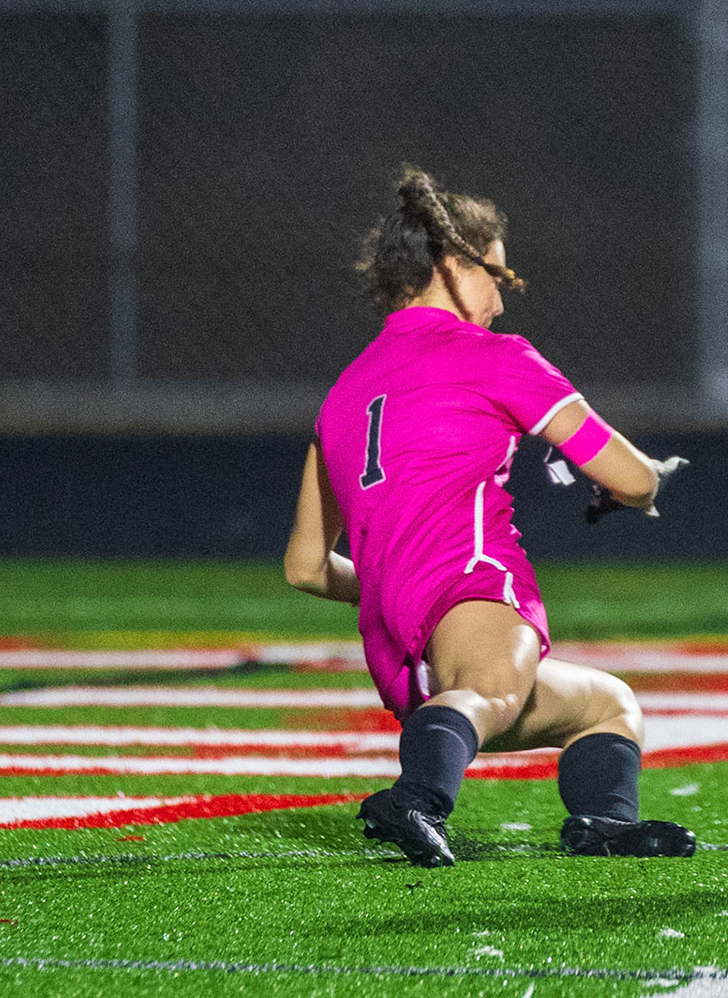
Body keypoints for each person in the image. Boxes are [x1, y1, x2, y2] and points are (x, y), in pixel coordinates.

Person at [283, 166, 694, 867]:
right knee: (491, 691)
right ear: (451, 265)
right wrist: (643, 485)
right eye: (496, 277)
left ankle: (603, 821)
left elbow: (305, 567)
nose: (501, 302)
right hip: (470, 582)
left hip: (396, 639)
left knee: (605, 704)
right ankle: (419, 797)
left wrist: (393, 579)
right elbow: (630, 476)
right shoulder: (496, 358)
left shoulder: (345, 390)